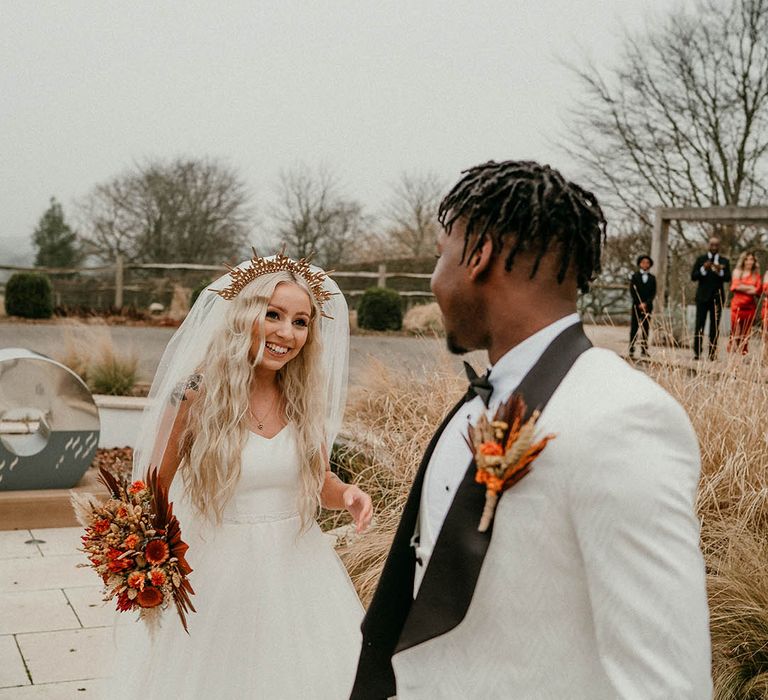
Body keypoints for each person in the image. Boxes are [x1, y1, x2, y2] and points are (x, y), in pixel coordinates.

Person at [351, 160, 712, 699]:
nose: (435, 279)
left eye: (439, 256)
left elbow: (666, 682)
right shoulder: (479, 401)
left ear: (478, 257)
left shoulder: (623, 418)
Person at [108, 252, 372, 699]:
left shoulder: (305, 399)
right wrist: (142, 561)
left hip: (299, 568)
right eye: (273, 315)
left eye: (301, 321)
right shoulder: (195, 394)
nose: (286, 333)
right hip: (220, 570)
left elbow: (317, 483)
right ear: (245, 314)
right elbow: (150, 491)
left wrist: (346, 494)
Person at [691, 237, 731, 360]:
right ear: (708, 245)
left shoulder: (724, 261)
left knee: (715, 327)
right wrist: (704, 268)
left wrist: (720, 271)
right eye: (712, 244)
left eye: (716, 244)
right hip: (702, 298)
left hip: (717, 298)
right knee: (699, 325)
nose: (714, 246)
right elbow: (693, 276)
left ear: (719, 246)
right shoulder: (701, 259)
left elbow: (728, 278)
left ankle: (712, 353)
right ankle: (697, 353)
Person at [727, 251, 761, 356]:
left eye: (751, 259)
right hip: (737, 306)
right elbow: (735, 286)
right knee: (735, 331)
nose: (749, 262)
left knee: (745, 333)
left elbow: (757, 290)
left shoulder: (756, 275)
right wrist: (750, 287)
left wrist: (743, 287)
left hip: (750, 307)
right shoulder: (737, 272)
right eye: (747, 259)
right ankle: (732, 355)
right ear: (743, 260)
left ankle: (742, 355)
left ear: (754, 261)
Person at [628, 254, 656, 358]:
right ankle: (631, 348)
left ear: (650, 265)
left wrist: (646, 303)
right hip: (636, 306)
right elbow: (632, 291)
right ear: (640, 264)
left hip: (647, 307)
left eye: (647, 262)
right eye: (643, 262)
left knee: (645, 328)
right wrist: (639, 303)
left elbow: (653, 293)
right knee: (634, 327)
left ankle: (644, 349)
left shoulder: (652, 278)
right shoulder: (635, 276)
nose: (645, 264)